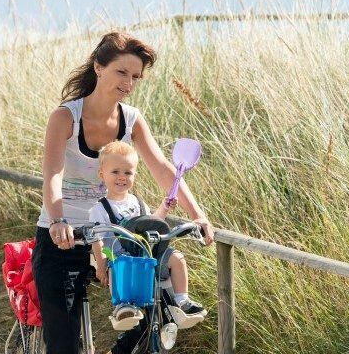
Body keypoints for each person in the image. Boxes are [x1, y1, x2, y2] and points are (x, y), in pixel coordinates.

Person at [31, 32, 214, 354]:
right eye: (122, 72)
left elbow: (162, 168)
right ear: (99, 67)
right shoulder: (65, 117)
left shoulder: (132, 119)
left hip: (117, 237)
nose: (129, 82)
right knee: (63, 343)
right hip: (65, 236)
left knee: (149, 316)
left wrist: (198, 214)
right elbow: (53, 173)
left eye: (135, 76)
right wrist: (58, 219)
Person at [89, 141, 206, 330]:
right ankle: (124, 308)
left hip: (147, 254)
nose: (122, 177)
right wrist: (101, 265)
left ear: (135, 175)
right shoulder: (100, 209)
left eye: (128, 172)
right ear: (102, 174)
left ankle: (181, 301)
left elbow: (150, 223)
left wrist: (164, 208)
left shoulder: (137, 202)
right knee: (120, 268)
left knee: (177, 258)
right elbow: (98, 239)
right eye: (115, 172)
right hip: (120, 257)